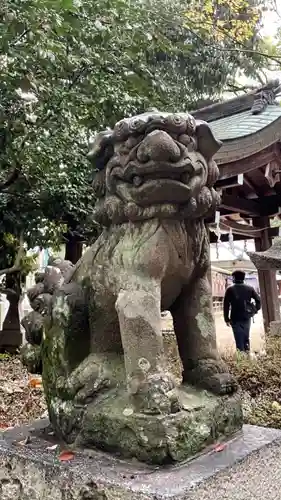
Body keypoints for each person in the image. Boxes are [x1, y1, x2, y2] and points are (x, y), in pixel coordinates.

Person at [223, 270, 261, 353]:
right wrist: (254, 310)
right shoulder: (250, 288)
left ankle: (241, 356)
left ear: (234, 278)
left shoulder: (230, 289)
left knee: (238, 338)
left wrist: (226, 318)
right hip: (247, 316)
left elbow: (226, 305)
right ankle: (247, 353)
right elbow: (258, 300)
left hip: (235, 317)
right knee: (246, 336)